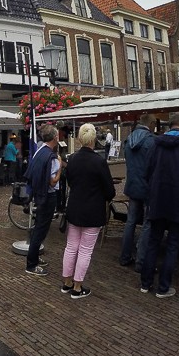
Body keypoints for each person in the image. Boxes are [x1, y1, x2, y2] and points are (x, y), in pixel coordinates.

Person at [60, 123, 116, 299]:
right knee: (85, 250)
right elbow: (110, 191)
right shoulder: (99, 161)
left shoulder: (72, 159)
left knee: (71, 247)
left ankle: (67, 282)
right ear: (94, 139)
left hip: (74, 208)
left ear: (79, 139)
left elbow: (70, 181)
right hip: (93, 211)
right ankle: (77, 287)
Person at [140, 112, 179, 298]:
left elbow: (147, 171)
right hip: (177, 202)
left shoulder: (156, 144)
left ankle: (145, 283)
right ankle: (163, 288)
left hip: (157, 200)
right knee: (172, 244)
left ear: (169, 125)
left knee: (153, 241)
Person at [23, 124, 65, 276]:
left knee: (38, 227)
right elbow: (53, 182)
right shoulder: (52, 157)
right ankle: (31, 264)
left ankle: (34, 256)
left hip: (39, 194)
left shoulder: (39, 150)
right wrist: (60, 168)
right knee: (41, 229)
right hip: (48, 195)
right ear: (55, 137)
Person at [119, 113, 156, 269]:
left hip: (133, 186)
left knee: (131, 222)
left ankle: (125, 257)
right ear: (151, 124)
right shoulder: (151, 141)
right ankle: (141, 262)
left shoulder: (128, 139)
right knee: (147, 223)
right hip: (147, 188)